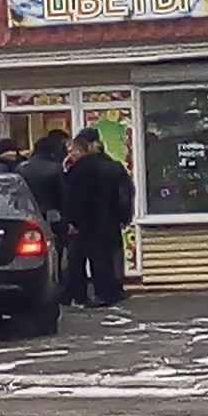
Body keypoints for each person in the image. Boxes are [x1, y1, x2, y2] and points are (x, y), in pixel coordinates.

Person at [62, 128, 129, 308]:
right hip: (110, 220)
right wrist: (124, 216)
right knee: (107, 257)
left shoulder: (80, 169)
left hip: (87, 222)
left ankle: (81, 294)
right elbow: (126, 192)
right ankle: (111, 291)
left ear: (82, 149)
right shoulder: (114, 166)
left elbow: (74, 197)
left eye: (73, 150)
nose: (71, 154)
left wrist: (73, 221)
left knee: (81, 259)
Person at [18, 136, 65, 269]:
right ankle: (57, 273)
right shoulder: (56, 168)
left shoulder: (21, 169)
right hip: (52, 213)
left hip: (28, 214)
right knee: (56, 247)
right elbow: (62, 193)